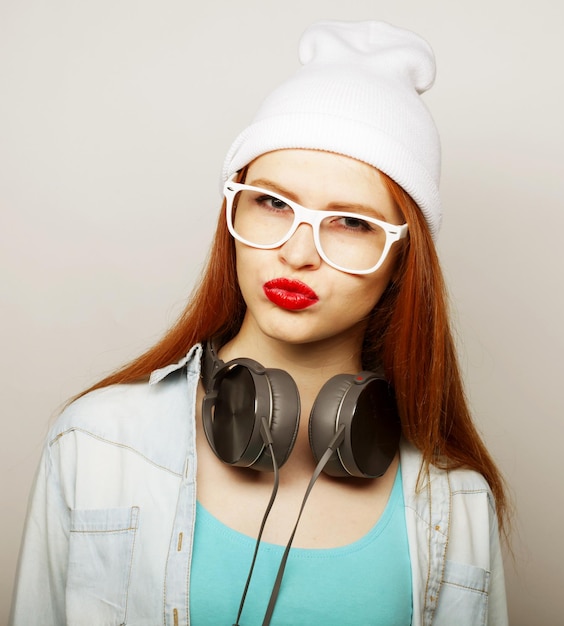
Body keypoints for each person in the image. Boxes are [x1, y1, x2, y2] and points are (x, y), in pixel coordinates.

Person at [10, 19, 509, 626]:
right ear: (233, 213)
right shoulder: (94, 445)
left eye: (352, 222)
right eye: (272, 203)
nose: (297, 252)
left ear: (404, 260)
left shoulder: (457, 505)